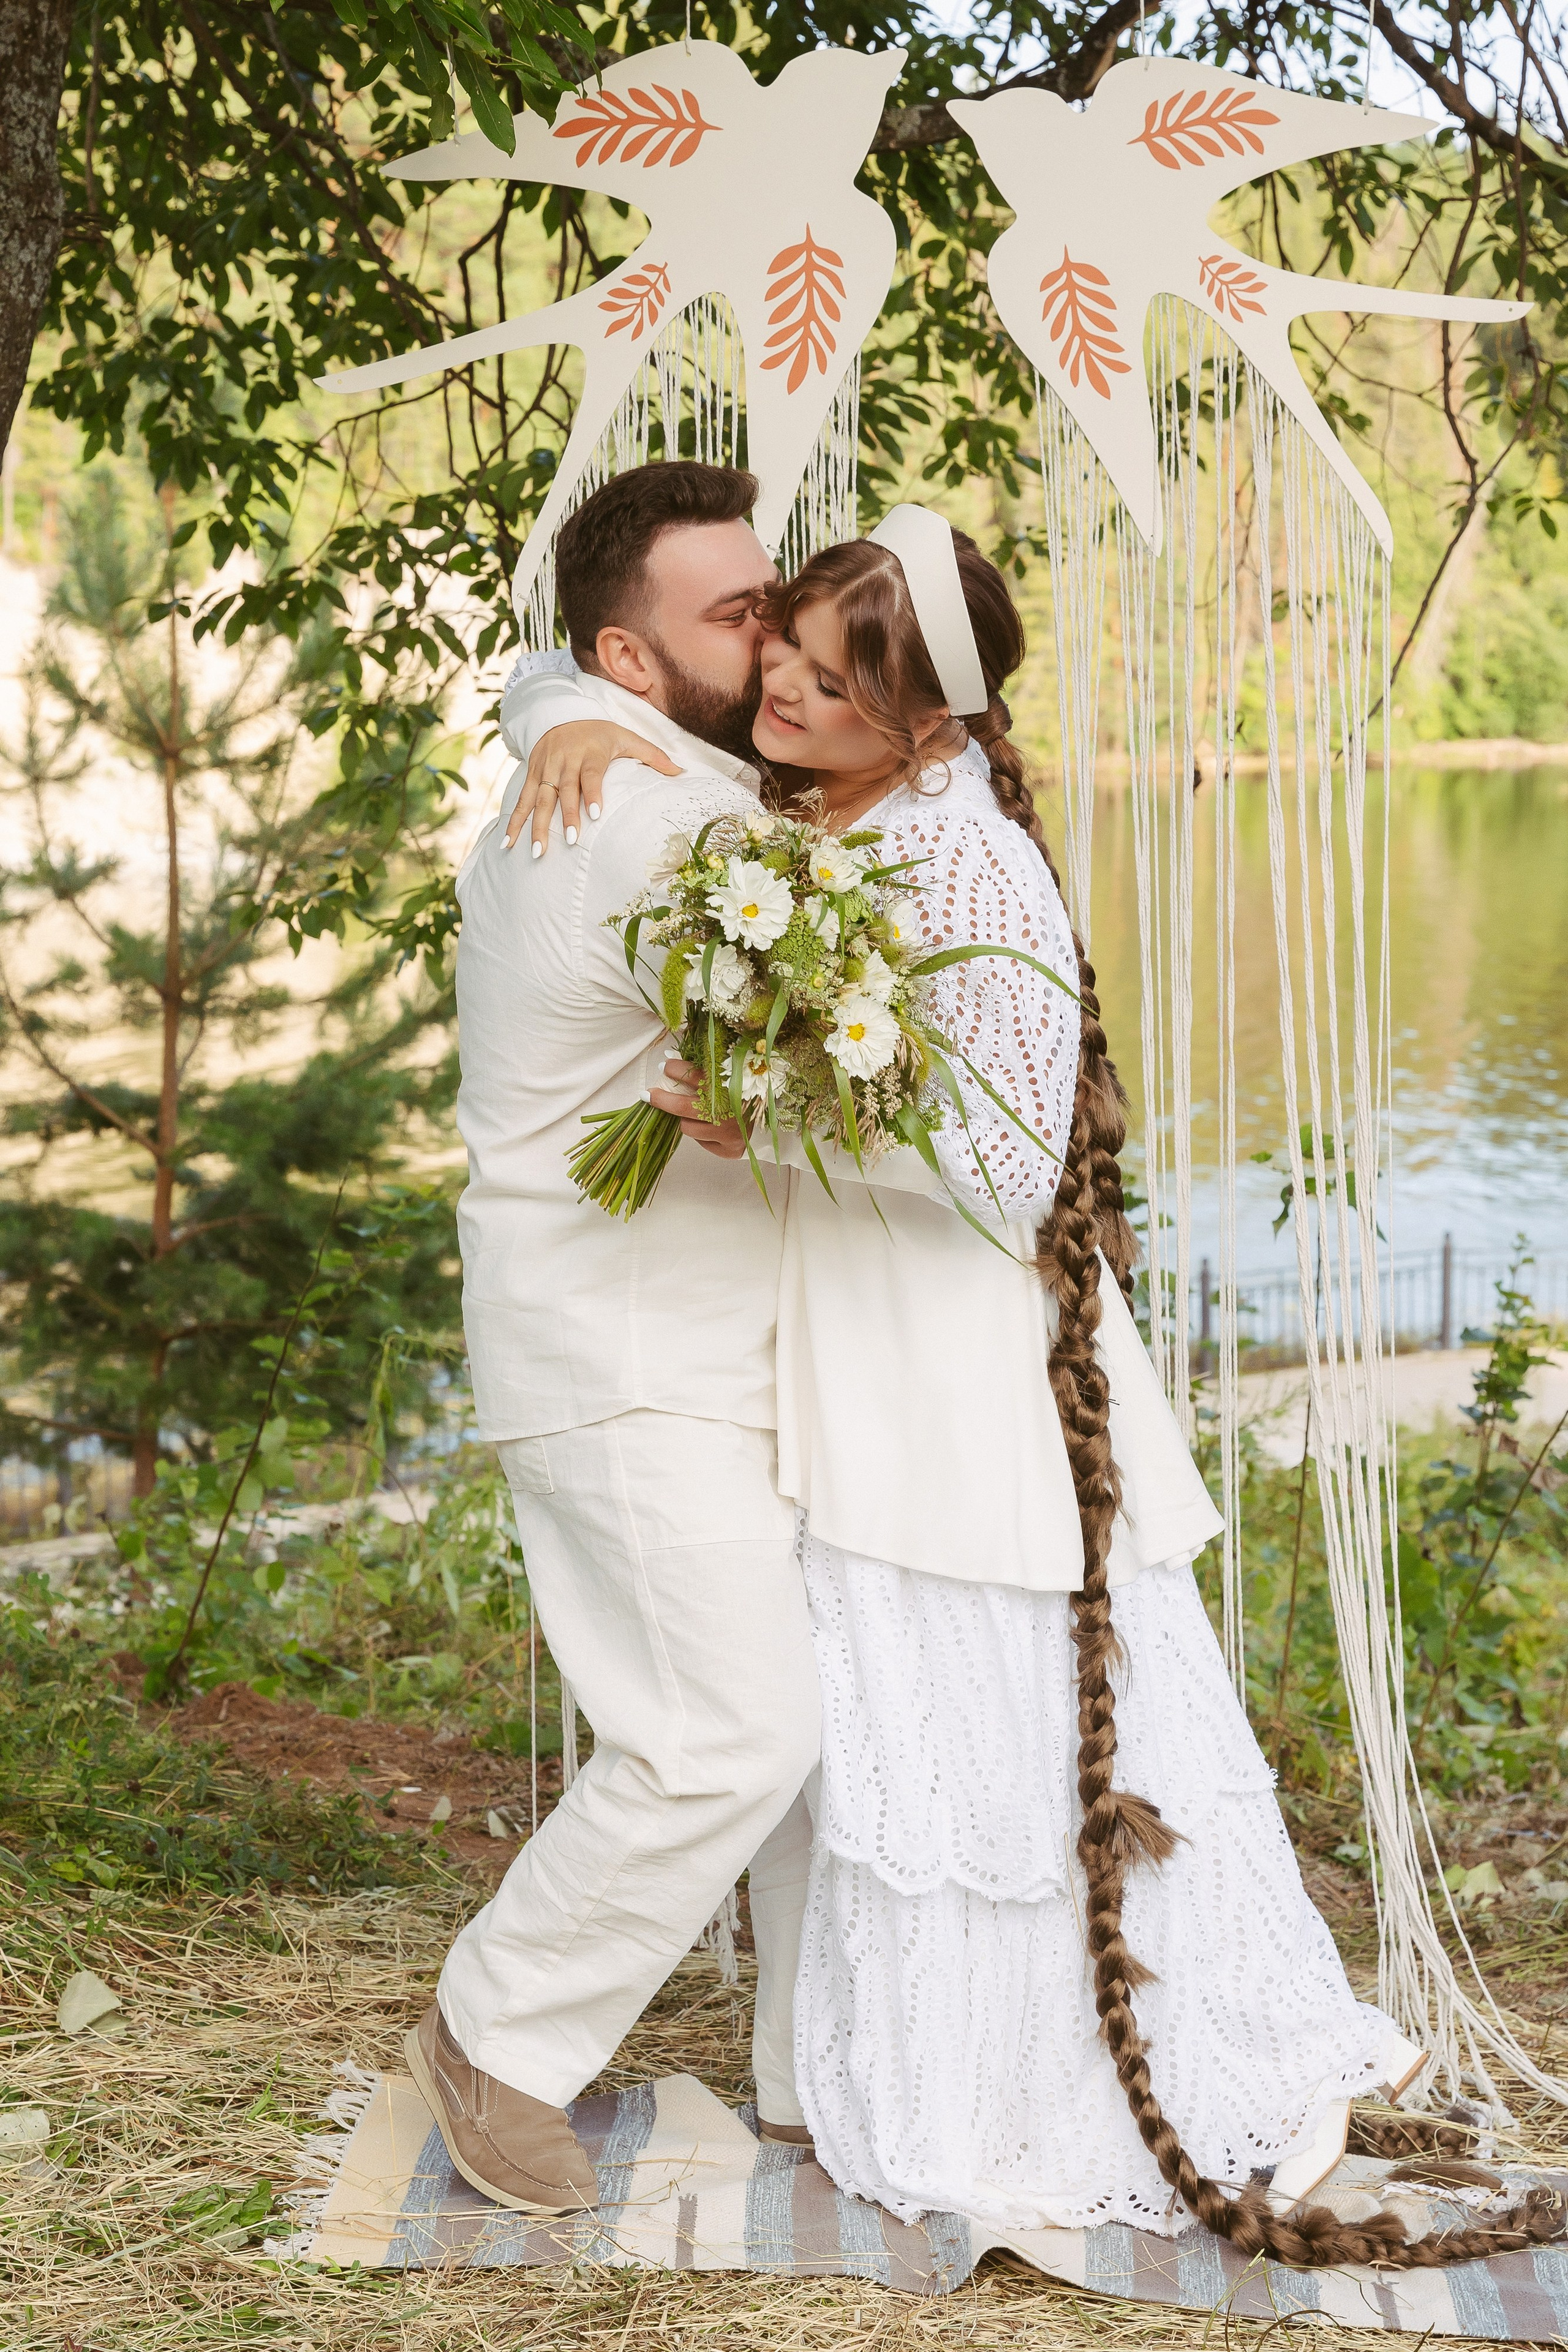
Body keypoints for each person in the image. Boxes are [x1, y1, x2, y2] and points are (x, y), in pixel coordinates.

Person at [503, 505, 1429, 2242]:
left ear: (927, 719)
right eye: (784, 641)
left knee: (996, 1709)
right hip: (859, 1340)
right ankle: (899, 2057)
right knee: (892, 1717)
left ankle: (1088, 2071)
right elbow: (588, 660)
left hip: (954, 1362)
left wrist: (769, 1117)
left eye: (838, 676)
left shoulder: (961, 855)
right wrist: (548, 704)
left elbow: (1005, 1167)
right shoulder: (822, 814)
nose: (781, 681)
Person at [411, 459, 822, 2217]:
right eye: (736, 614)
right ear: (628, 660)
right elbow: (841, 1065)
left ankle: (830, 2068)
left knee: (812, 1729)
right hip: (621, 1351)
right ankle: (498, 2032)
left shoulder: (643, 763)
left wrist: (556, 704)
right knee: (735, 1730)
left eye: (773, 590)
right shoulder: (647, 820)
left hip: (691, 1347)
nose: (781, 630)